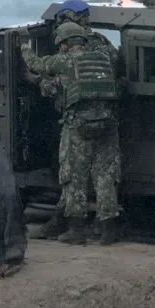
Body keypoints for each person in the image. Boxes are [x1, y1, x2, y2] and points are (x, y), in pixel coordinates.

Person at [18, 21, 123, 245]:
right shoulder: (104, 59)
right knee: (105, 178)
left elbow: (37, 64)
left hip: (79, 126)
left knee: (73, 176)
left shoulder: (66, 60)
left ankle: (77, 230)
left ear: (64, 44)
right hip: (107, 126)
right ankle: (108, 231)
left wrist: (24, 45)